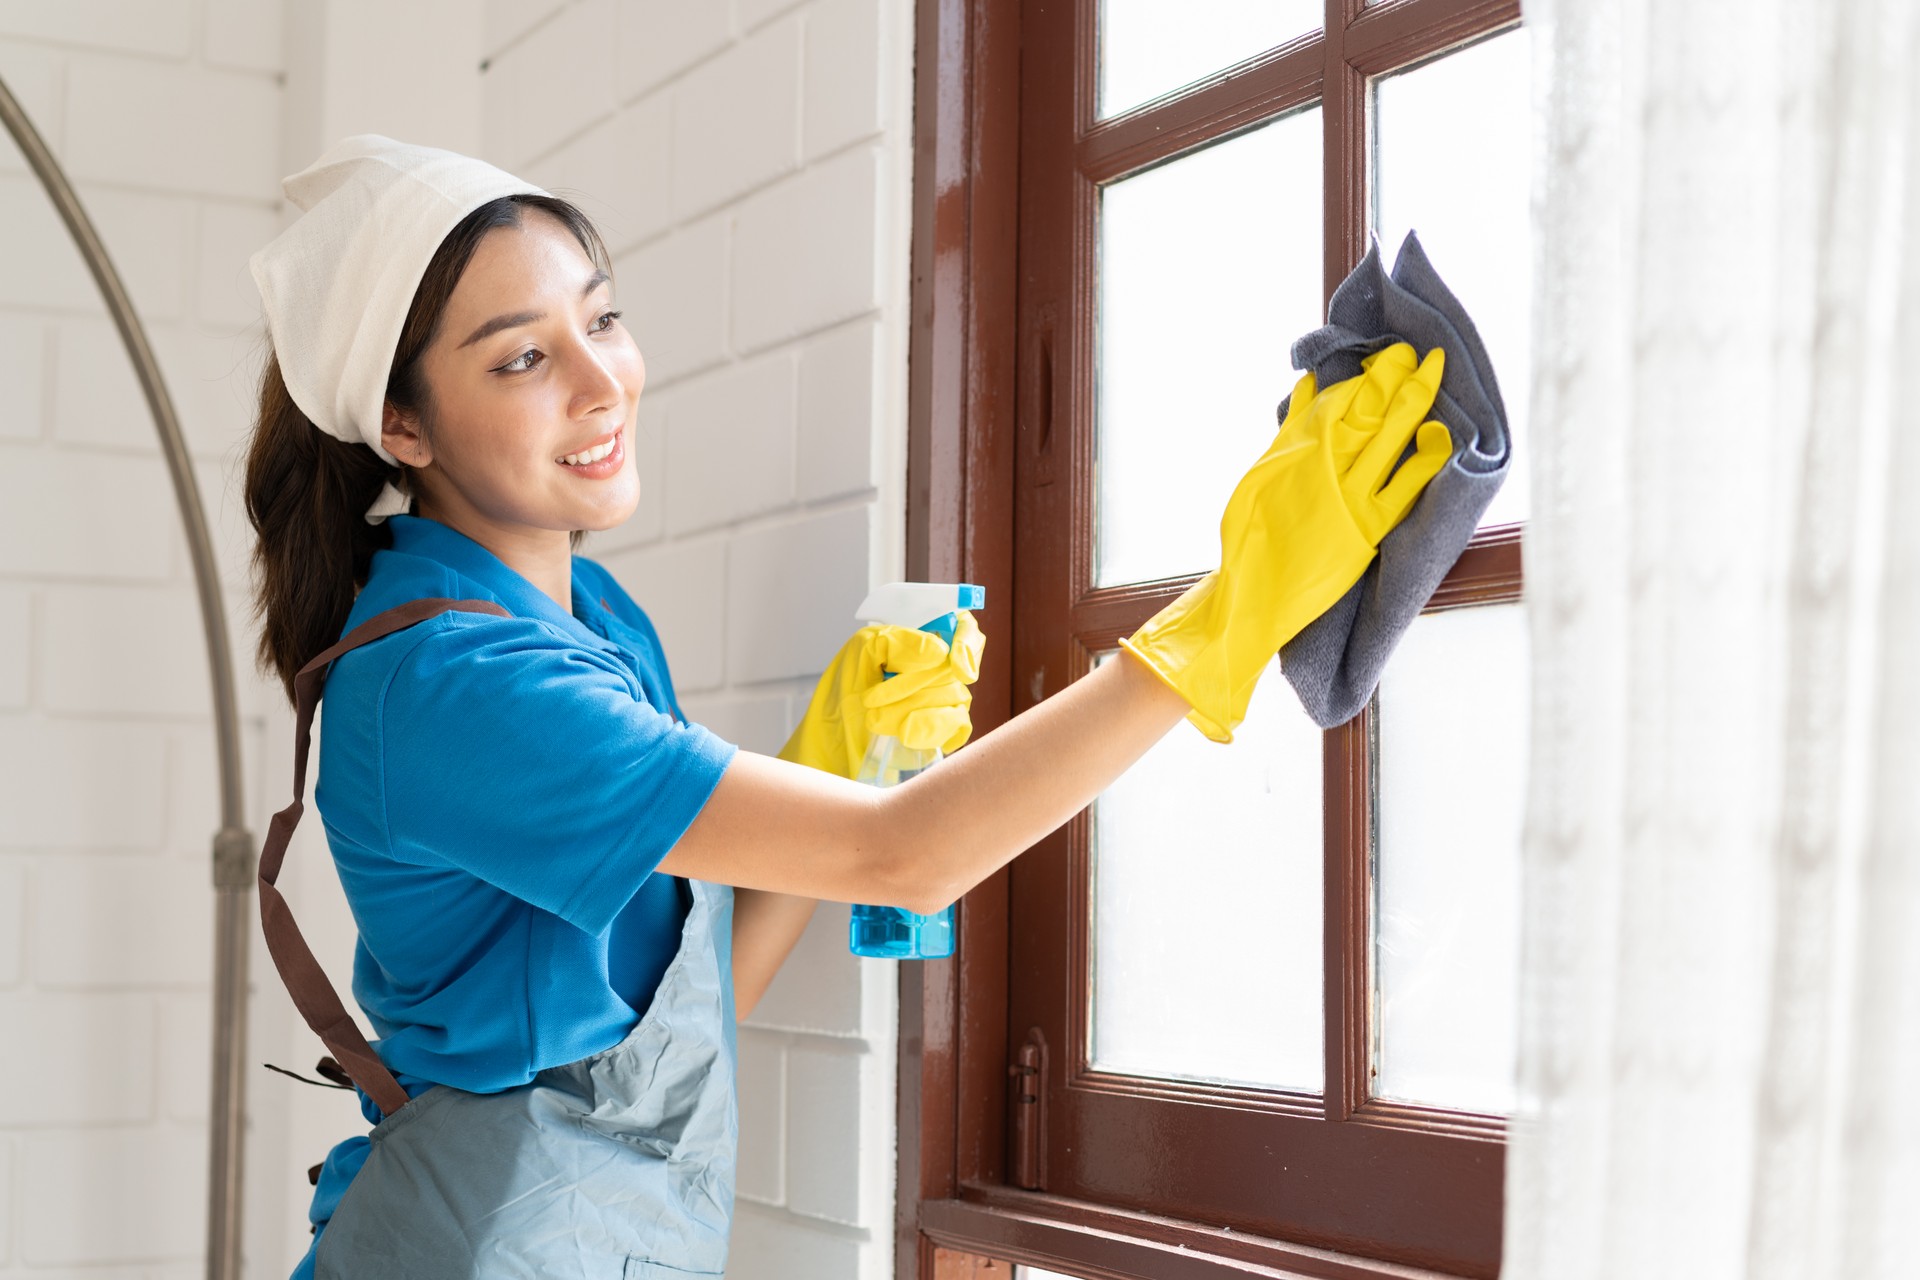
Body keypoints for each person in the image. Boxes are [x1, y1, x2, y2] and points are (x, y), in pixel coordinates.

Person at [243, 136, 1451, 1279]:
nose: (603, 379)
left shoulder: (588, 615)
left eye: (602, 316)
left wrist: (824, 745)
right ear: (403, 424)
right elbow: (909, 857)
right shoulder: (454, 686)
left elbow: (673, 1028)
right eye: (522, 357)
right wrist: (1227, 613)